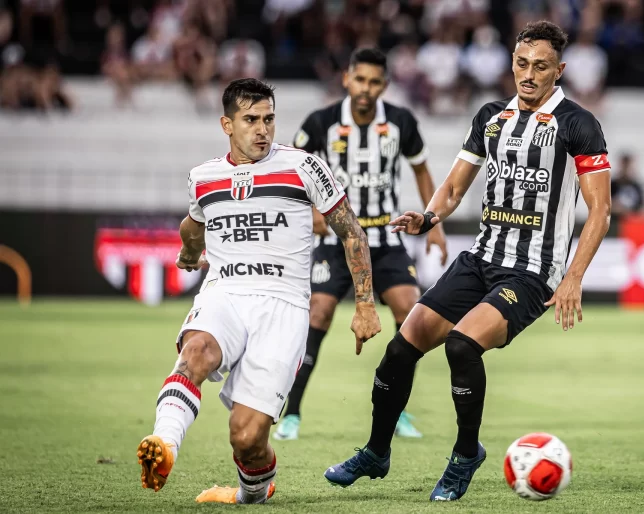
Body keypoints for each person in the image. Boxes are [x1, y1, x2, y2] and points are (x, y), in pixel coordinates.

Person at [324, 21, 613, 502]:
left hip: (532, 271)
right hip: (479, 258)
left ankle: (464, 455)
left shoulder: (578, 124)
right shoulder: (491, 116)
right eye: (521, 63)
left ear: (558, 71)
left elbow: (600, 210)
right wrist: (429, 215)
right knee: (401, 348)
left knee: (461, 346)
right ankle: (376, 452)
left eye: (540, 66)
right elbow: (455, 185)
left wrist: (573, 278)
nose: (528, 74)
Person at [136, 78, 381, 505]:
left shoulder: (303, 166)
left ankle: (253, 491)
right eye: (250, 120)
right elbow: (193, 224)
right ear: (226, 124)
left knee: (247, 437)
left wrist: (364, 303)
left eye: (268, 119)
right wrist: (189, 253)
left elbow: (351, 231)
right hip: (225, 292)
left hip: (283, 306)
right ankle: (165, 445)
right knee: (195, 352)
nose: (262, 129)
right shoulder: (203, 176)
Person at [273, 47, 448, 441]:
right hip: (337, 239)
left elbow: (421, 169)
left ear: (384, 85)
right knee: (318, 312)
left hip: (385, 238)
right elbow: (291, 170)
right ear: (347, 79)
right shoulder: (321, 123)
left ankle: (396, 408)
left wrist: (433, 220)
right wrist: (312, 214)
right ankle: (292, 413)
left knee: (411, 310)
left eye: (374, 82)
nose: (366, 89)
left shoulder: (402, 121)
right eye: (360, 80)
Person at [610, 153, 644, 219]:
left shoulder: (637, 187)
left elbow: (642, 207)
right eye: (624, 166)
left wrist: (627, 212)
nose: (626, 169)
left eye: (628, 166)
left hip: (631, 224)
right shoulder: (611, 185)